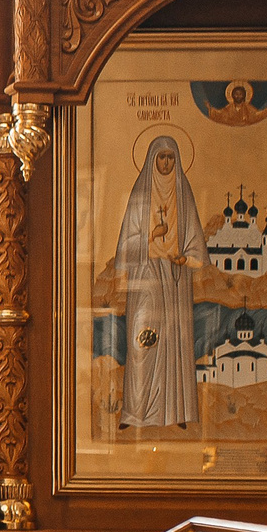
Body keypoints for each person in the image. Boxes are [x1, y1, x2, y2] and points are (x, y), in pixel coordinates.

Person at [112, 133, 206, 430]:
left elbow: (195, 243)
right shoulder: (140, 195)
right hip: (145, 274)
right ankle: (135, 413)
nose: (166, 163)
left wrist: (185, 258)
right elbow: (126, 246)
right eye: (161, 157)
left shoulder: (183, 194)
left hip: (175, 278)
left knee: (173, 342)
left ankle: (174, 413)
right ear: (152, 160)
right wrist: (151, 236)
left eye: (171, 157)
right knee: (142, 340)